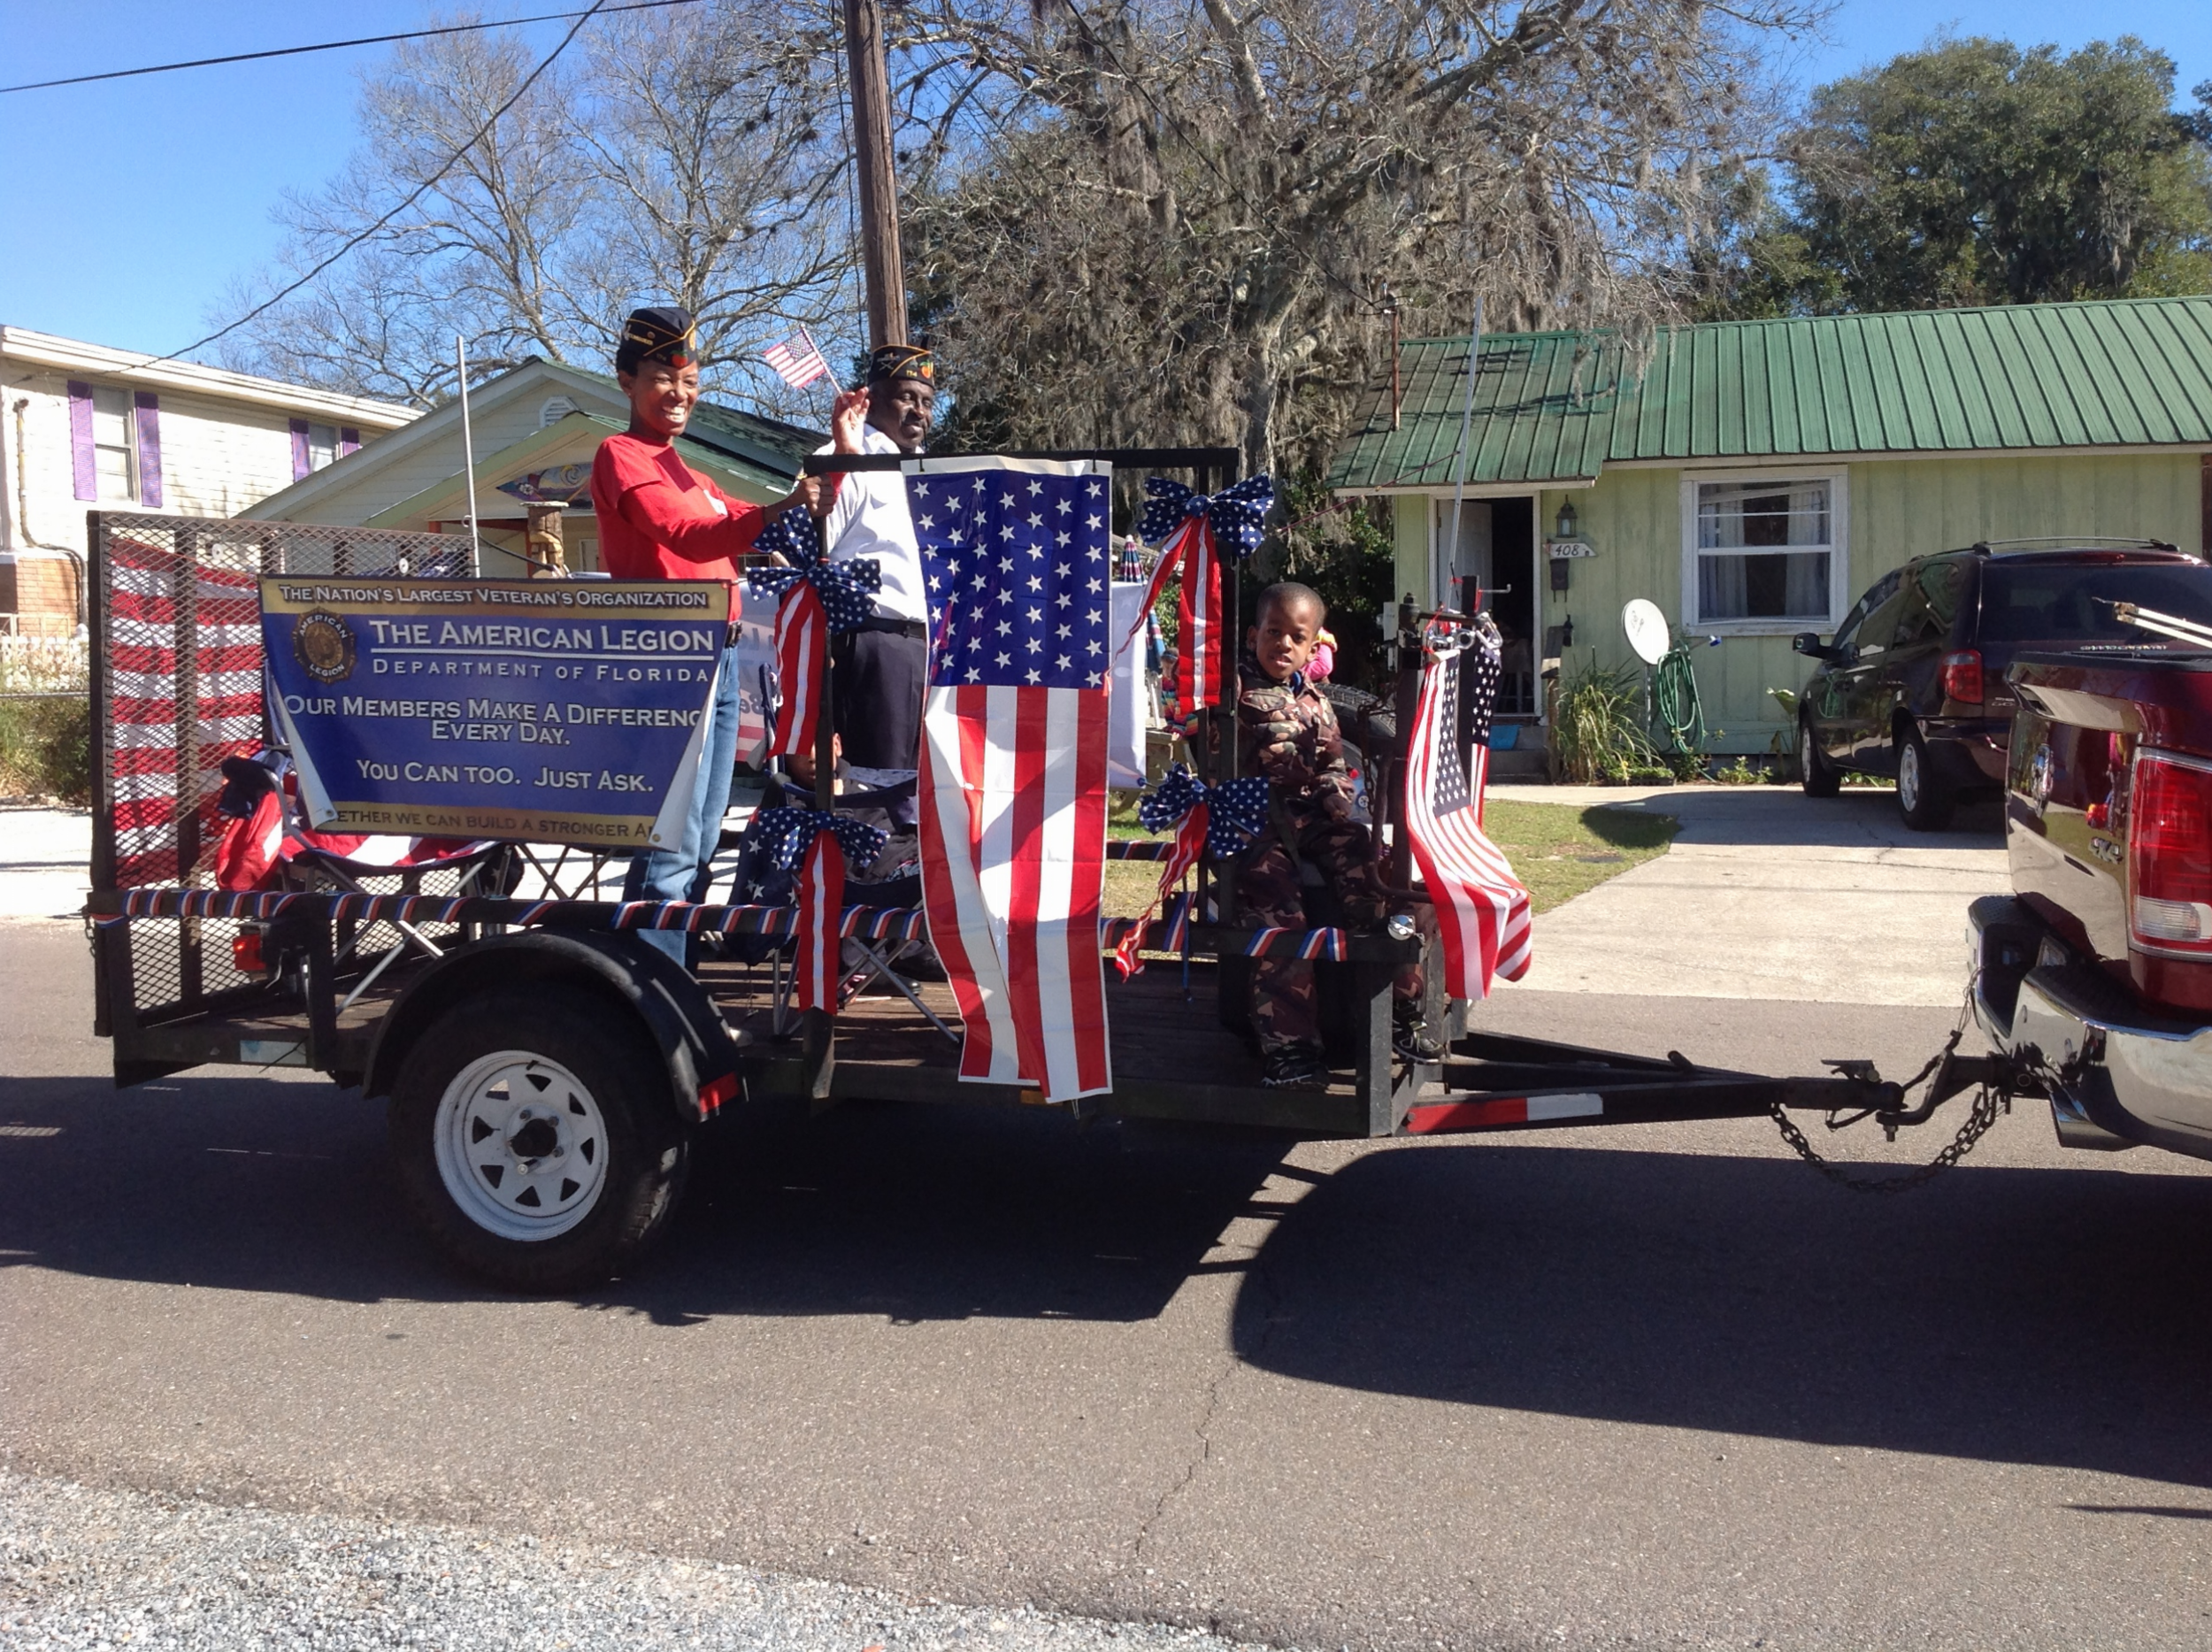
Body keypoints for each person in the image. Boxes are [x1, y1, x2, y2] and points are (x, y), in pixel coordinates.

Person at [589, 304, 867, 963]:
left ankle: (659, 977)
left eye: (690, 380)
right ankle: (653, 992)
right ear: (626, 380)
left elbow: (783, 523)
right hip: (667, 658)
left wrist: (842, 452)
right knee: (674, 841)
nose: (680, 393)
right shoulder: (620, 456)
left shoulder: (693, 473)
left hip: (716, 653)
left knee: (703, 835)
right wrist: (779, 507)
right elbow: (688, 534)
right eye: (663, 376)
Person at [1235, 581, 1443, 1090]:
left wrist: (1334, 794)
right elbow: (1218, 755)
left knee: (1397, 893)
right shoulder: (1230, 695)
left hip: (1318, 824)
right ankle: (1289, 1050)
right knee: (1280, 922)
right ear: (1252, 635)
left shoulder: (1317, 702)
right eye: (1273, 632)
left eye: (1296, 637)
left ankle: (1400, 1014)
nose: (1283, 644)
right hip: (1258, 826)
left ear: (1313, 647)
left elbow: (1334, 764)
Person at [808, 342, 937, 821]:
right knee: (881, 788)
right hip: (875, 641)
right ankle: (874, 885)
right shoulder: (847, 458)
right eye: (906, 397)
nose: (918, 411)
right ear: (873, 398)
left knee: (926, 785)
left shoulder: (928, 472)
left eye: (926, 401)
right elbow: (806, 546)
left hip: (930, 645)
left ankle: (911, 885)